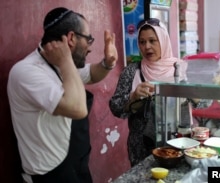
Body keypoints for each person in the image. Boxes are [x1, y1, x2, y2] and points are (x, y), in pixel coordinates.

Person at [7, 7, 118, 183]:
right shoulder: (26, 71)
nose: (90, 47)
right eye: (88, 39)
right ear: (71, 38)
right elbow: (78, 109)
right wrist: (65, 60)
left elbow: (91, 74)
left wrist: (108, 63)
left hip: (74, 162)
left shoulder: (61, 64)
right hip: (48, 175)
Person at [109, 18, 187, 166]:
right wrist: (132, 97)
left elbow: (203, 103)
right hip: (140, 148)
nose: (147, 47)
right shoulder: (132, 71)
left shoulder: (180, 69)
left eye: (152, 40)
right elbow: (115, 107)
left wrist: (189, 93)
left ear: (163, 40)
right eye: (142, 42)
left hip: (178, 143)